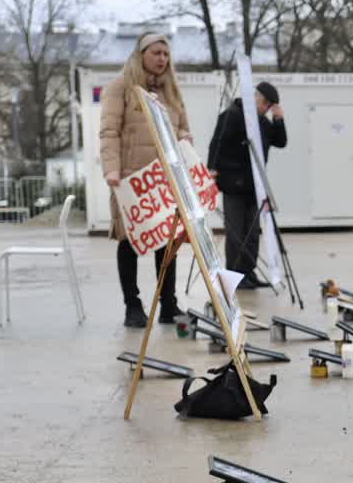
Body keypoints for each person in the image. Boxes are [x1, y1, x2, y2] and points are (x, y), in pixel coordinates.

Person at [98, 32, 193, 328]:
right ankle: (133, 306)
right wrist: (112, 169)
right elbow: (109, 131)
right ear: (141, 55)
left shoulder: (171, 92)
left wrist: (186, 142)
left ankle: (168, 304)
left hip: (165, 182)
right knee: (129, 242)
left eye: (166, 54)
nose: (162, 59)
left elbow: (182, 129)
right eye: (156, 53)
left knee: (168, 242)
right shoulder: (121, 88)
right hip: (131, 181)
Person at [208, 81, 287, 287]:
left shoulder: (262, 122)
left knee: (252, 233)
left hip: (254, 186)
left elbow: (280, 142)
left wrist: (278, 120)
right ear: (255, 97)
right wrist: (212, 171)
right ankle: (235, 275)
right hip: (233, 184)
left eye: (270, 106)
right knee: (236, 232)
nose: (266, 108)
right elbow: (216, 144)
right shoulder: (232, 115)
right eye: (265, 103)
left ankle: (248, 273)